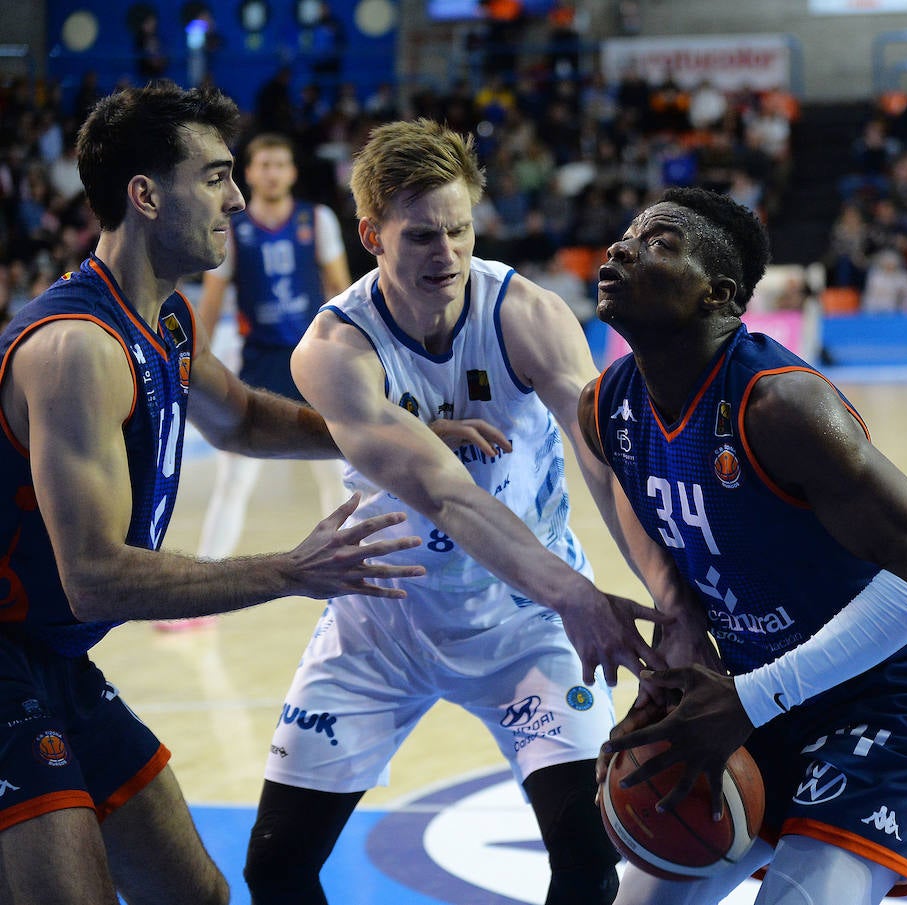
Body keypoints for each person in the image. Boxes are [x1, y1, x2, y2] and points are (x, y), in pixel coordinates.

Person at [0, 82, 423, 905]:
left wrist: (389, 433)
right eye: (216, 175)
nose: (236, 196)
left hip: (51, 654)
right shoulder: (77, 350)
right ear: (146, 195)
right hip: (4, 657)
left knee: (198, 895)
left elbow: (246, 419)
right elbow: (95, 575)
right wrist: (295, 569)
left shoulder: (163, 317)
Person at [243, 119, 684, 905]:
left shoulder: (528, 313)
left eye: (460, 229)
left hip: (528, 619)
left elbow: (601, 459)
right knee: (275, 868)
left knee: (585, 860)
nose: (446, 255)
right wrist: (579, 596)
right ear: (371, 232)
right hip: (383, 622)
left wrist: (673, 601)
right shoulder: (332, 349)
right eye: (420, 236)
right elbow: (445, 493)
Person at [581, 186, 907, 904]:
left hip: (887, 694)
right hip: (751, 689)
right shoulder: (607, 407)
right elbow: (631, 498)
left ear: (718, 295)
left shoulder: (783, 406)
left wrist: (752, 698)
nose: (621, 250)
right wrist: (680, 638)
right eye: (625, 236)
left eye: (659, 243)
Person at [158, 133, 352, 631]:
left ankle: (353, 583)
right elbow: (213, 299)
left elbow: (342, 291)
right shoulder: (233, 226)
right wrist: (190, 357)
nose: (271, 172)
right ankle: (198, 603)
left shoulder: (317, 220)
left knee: (337, 478)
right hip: (260, 365)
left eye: (279, 164)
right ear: (251, 172)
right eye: (262, 164)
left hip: (314, 363)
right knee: (233, 484)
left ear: (290, 172)